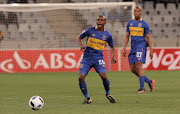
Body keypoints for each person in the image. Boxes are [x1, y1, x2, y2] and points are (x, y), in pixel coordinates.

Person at [77, 15, 117, 104]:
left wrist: (113, 56)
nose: (99, 21)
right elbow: (79, 37)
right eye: (98, 20)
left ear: (104, 22)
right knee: (81, 77)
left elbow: (112, 46)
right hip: (87, 58)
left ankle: (108, 94)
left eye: (101, 20)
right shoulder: (89, 30)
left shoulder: (107, 35)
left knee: (104, 76)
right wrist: (81, 46)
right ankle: (88, 98)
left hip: (98, 58)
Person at [122, 6, 155, 93]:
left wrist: (151, 50)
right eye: (135, 11)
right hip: (133, 47)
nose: (136, 13)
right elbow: (127, 36)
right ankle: (150, 82)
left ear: (140, 12)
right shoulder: (130, 23)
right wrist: (124, 47)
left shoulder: (144, 24)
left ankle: (142, 88)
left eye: (138, 11)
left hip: (141, 46)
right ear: (133, 12)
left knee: (138, 64)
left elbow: (148, 38)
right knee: (133, 69)